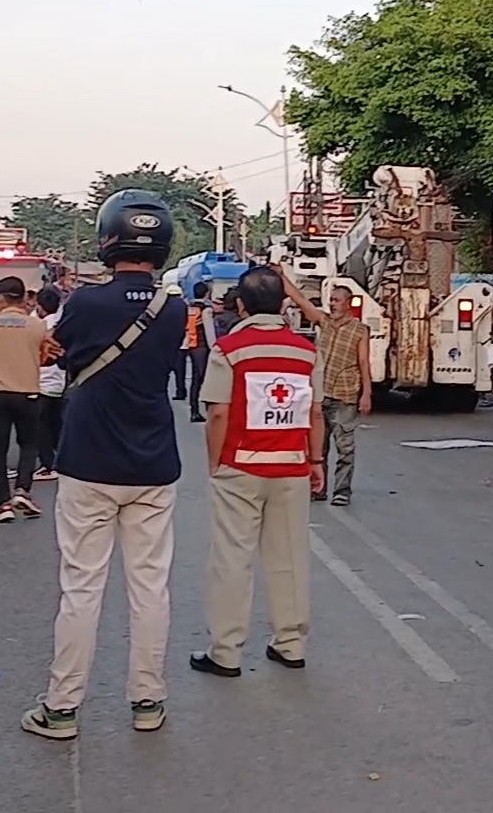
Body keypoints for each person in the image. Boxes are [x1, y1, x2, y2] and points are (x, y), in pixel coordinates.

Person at [23, 190, 186, 740]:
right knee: (150, 587)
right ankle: (148, 700)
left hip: (89, 460)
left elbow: (56, 350)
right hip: (153, 464)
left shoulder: (86, 303)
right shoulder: (174, 306)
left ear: (107, 237)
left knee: (81, 588)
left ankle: (62, 707)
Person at [190, 264, 325, 680]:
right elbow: (315, 412)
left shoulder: (230, 348)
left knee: (232, 557)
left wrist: (215, 462)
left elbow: (216, 412)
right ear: (284, 303)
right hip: (291, 466)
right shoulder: (305, 350)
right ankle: (291, 643)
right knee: (288, 555)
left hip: (240, 465)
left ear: (242, 305)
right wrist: (316, 462)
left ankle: (226, 651)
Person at [280, 268, 371, 505]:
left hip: (345, 394)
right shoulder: (324, 322)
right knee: (317, 448)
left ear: (348, 303)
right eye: (331, 300)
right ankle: (318, 488)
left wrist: (366, 394)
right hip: (321, 393)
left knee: (345, 447)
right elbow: (300, 299)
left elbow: (363, 362)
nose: (332, 304)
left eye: (337, 300)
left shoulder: (360, 330)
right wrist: (281, 275)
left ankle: (342, 491)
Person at [0, 276, 53, 523]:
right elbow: (46, 358)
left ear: (0, 298)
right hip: (28, 392)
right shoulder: (37, 326)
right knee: (28, 444)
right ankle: (23, 490)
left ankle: (3, 504)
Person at [35, 285, 67, 482]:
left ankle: (48, 465)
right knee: (56, 424)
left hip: (42, 381)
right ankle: (60, 460)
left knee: (41, 427)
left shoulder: (41, 328)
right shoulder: (63, 324)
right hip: (59, 381)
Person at [179, 281, 212, 418]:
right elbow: (210, 331)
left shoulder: (189, 308)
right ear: (207, 293)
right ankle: (207, 410)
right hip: (203, 346)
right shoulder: (206, 310)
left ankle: (194, 410)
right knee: (205, 379)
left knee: (195, 379)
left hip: (191, 345)